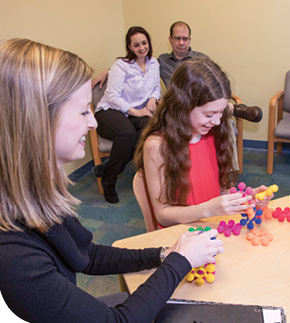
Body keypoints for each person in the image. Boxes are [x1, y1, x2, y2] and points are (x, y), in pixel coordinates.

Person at [0, 38, 223, 323]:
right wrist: (181, 262)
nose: (93, 123)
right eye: (83, 111)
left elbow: (87, 256)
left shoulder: (33, 200)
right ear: (35, 122)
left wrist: (163, 254)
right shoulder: (14, 257)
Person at [134, 58, 272, 228]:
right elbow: (163, 215)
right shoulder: (157, 146)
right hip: (182, 234)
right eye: (209, 114)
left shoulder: (214, 132)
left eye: (221, 112)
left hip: (212, 225)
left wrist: (246, 198)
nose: (216, 121)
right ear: (182, 106)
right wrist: (208, 209)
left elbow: (220, 192)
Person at [92, 21, 262, 123]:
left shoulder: (202, 58)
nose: (181, 42)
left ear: (190, 39)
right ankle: (231, 108)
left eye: (185, 38)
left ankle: (227, 172)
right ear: (170, 40)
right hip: (181, 106)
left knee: (227, 125)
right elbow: (135, 66)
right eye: (177, 38)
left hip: (204, 101)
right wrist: (108, 71)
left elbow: (215, 83)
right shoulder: (160, 62)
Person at [93, 26, 161, 203]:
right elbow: (112, 96)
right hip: (110, 111)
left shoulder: (154, 63)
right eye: (136, 45)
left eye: (144, 43)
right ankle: (109, 181)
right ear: (130, 47)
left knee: (150, 129)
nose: (141, 48)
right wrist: (137, 111)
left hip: (134, 112)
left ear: (149, 42)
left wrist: (153, 99)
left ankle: (109, 167)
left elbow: (156, 88)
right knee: (128, 133)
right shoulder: (121, 66)